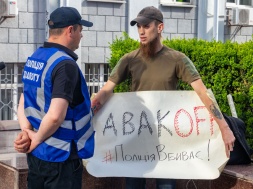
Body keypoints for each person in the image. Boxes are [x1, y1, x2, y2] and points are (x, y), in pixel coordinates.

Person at [91, 6, 236, 189]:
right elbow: (105, 92)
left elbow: (202, 93)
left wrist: (224, 127)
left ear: (159, 28)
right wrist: (85, 116)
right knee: (133, 185)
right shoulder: (129, 59)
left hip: (168, 143)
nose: (141, 31)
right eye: (138, 27)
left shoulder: (177, 59)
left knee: (166, 186)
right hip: (135, 139)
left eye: (146, 26)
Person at [14, 7, 95, 189]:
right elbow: (56, 116)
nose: (81, 36)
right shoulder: (65, 65)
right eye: (80, 30)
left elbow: (23, 101)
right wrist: (35, 139)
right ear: (70, 30)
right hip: (61, 156)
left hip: (37, 155)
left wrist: (26, 133)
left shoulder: (35, 58)